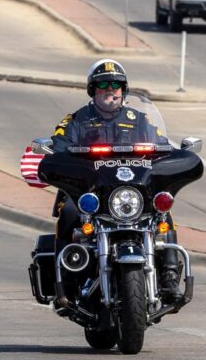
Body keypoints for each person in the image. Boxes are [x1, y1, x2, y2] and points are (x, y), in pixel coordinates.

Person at [50, 59, 182, 302]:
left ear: (124, 90)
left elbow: (163, 145)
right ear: (93, 90)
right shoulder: (76, 120)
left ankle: (170, 277)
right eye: (103, 85)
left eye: (116, 84)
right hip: (88, 191)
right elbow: (58, 145)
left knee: (164, 211)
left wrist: (174, 155)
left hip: (132, 190)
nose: (110, 89)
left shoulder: (140, 119)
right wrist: (56, 152)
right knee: (68, 212)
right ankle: (64, 286)